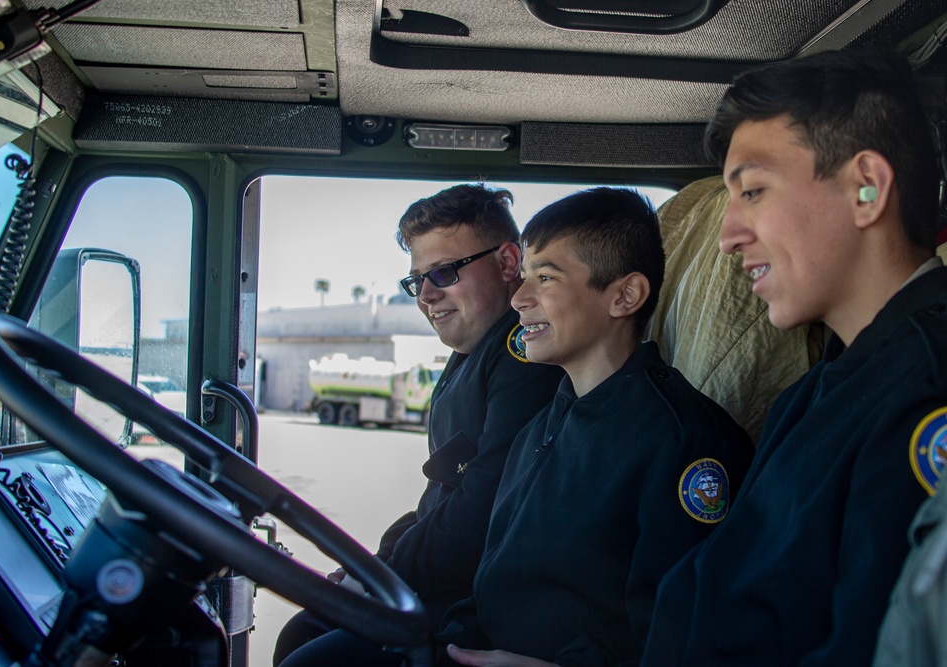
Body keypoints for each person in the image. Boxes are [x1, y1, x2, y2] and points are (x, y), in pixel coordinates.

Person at [634, 48, 947, 666]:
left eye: (753, 190)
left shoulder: (924, 392)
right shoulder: (823, 383)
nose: (727, 235)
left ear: (867, 189)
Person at [439, 187, 753, 666]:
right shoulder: (538, 429)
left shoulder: (684, 442)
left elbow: (679, 639)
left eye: (545, 278)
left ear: (625, 295)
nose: (519, 298)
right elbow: (496, 584)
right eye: (523, 277)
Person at [273, 184, 566, 666]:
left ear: (508, 262)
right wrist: (374, 566)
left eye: (444, 273)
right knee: (304, 631)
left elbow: (481, 511)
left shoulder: (522, 357)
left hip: (473, 606)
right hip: (442, 586)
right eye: (417, 282)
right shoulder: (469, 355)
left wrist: (383, 577)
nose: (427, 296)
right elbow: (439, 500)